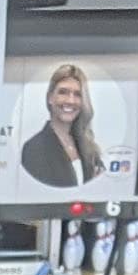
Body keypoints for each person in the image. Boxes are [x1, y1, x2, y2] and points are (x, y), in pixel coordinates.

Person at [19, 61, 106, 191]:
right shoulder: (33, 148)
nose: (70, 101)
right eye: (63, 92)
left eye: (77, 94)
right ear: (50, 98)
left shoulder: (88, 146)